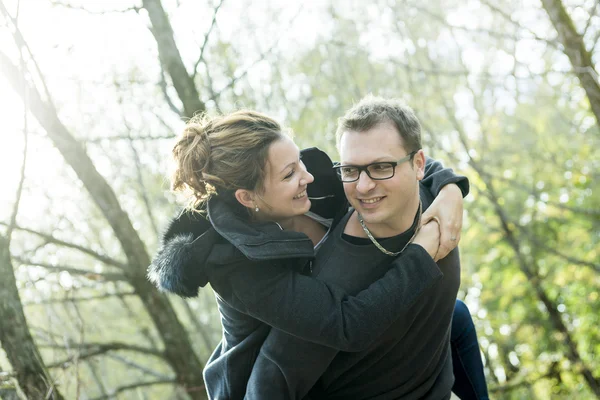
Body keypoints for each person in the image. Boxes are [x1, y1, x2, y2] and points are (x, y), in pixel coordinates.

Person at [147, 108, 484, 399]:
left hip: (338, 335)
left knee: (454, 315)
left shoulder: (313, 184)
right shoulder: (236, 266)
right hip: (281, 378)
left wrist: (450, 188)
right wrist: (421, 252)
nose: (307, 175)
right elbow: (348, 325)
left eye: (299, 162)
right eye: (289, 174)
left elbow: (393, 163)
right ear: (248, 198)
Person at [243, 95, 489, 399]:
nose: (363, 186)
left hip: (438, 376)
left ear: (418, 165)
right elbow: (269, 383)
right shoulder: (332, 279)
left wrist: (452, 187)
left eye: (381, 167)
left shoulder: (436, 200)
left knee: (457, 313)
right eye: (350, 170)